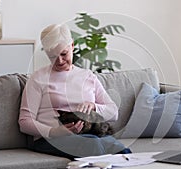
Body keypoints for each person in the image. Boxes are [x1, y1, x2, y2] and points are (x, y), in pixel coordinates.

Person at [18, 24, 131, 160]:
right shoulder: (38, 79)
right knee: (93, 145)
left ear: (72, 45)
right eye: (52, 57)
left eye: (63, 54)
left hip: (89, 135)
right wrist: (54, 131)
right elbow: (25, 122)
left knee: (123, 152)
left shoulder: (87, 76)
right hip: (49, 140)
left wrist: (94, 106)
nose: (59, 61)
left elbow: (113, 113)